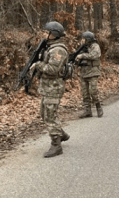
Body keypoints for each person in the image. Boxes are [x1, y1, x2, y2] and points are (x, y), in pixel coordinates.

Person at [30, 21, 70, 158]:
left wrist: (38, 65)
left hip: (54, 87)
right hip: (47, 87)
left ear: (54, 34)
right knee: (44, 114)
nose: (44, 34)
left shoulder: (58, 50)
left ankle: (56, 145)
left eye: (47, 32)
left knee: (50, 116)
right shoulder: (49, 47)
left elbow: (53, 69)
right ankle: (61, 134)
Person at [76, 31, 103, 118]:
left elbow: (94, 55)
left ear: (88, 39)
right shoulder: (83, 47)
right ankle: (87, 111)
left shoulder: (95, 46)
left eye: (84, 39)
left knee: (93, 91)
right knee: (85, 93)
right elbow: (77, 58)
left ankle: (98, 107)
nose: (82, 40)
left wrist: (82, 56)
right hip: (84, 73)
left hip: (93, 73)